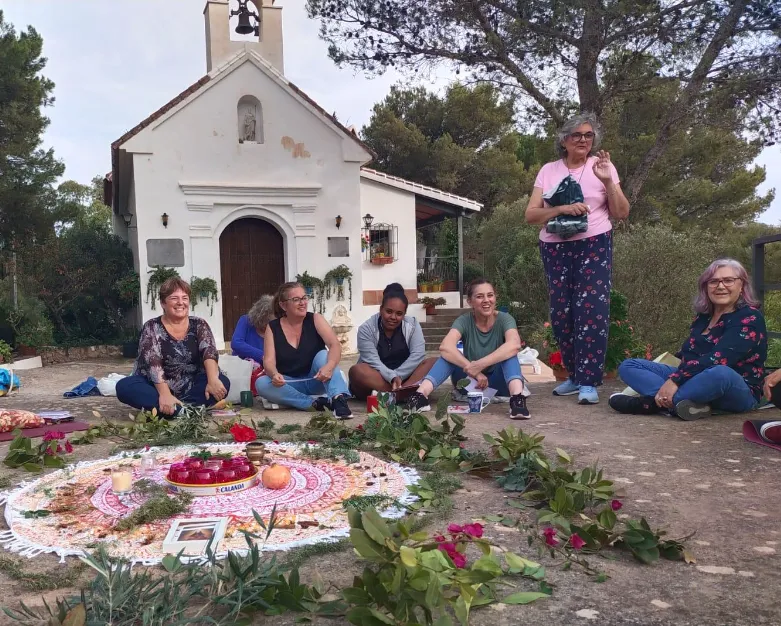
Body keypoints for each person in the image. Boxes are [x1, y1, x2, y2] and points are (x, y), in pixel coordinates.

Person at [525, 112, 630, 405]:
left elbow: (621, 212)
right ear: (564, 140)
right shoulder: (548, 170)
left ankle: (589, 381)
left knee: (592, 309)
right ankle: (573, 375)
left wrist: (608, 181)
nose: (583, 140)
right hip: (554, 246)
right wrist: (560, 210)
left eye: (588, 135)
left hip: (594, 242)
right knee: (561, 313)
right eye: (577, 135)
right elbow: (531, 214)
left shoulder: (603, 167)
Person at [609, 259, 767, 420]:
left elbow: (718, 359)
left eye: (728, 280)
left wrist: (674, 381)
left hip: (734, 388)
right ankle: (684, 404)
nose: (720, 286)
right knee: (629, 365)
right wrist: (671, 374)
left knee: (721, 373)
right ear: (705, 287)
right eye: (713, 281)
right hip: (691, 377)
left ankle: (650, 404)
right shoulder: (703, 317)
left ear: (742, 286)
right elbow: (689, 353)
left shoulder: (750, 317)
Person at [406, 278, 530, 419]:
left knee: (510, 354)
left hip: (499, 384)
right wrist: (475, 372)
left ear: (495, 298)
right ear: (470, 301)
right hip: (469, 383)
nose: (486, 300)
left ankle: (517, 400)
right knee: (449, 355)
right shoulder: (464, 321)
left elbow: (514, 345)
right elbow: (445, 347)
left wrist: (479, 365)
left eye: (490, 295)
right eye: (479, 296)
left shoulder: (505, 319)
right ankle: (420, 395)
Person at [116, 278, 229, 415]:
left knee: (222, 381)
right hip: (156, 387)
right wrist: (165, 394)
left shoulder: (199, 324)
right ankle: (187, 410)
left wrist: (212, 380)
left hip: (191, 386)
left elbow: (209, 352)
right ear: (163, 303)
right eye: (174, 298)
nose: (180, 303)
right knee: (124, 387)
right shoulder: (152, 327)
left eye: (185, 298)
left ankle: (176, 410)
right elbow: (153, 363)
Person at [255, 282, 353, 419]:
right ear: (283, 305)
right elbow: (269, 360)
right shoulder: (273, 328)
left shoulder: (315, 319)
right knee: (262, 383)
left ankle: (338, 400)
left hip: (317, 379)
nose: (302, 303)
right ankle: (313, 404)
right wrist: (274, 374)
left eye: (304, 298)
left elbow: (335, 345)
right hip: (289, 384)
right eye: (296, 299)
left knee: (323, 354)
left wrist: (329, 367)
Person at [349, 283, 437, 400]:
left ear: (404, 314)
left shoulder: (413, 325)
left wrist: (399, 376)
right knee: (356, 371)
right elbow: (372, 361)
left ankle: (396, 394)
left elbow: (418, 355)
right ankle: (403, 394)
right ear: (381, 309)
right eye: (389, 311)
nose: (393, 317)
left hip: (405, 377)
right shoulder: (366, 329)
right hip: (377, 378)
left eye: (399, 314)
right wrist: (392, 377)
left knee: (436, 362)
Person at [231, 295, 274, 364]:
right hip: (240, 366)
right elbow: (236, 343)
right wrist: (263, 356)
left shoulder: (276, 328)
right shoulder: (246, 320)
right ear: (260, 317)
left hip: (265, 370)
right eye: (267, 322)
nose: (270, 325)